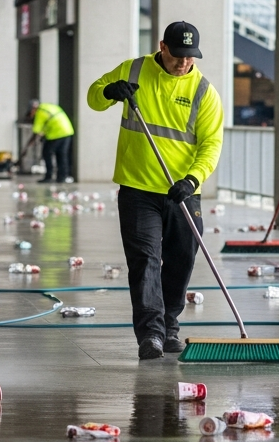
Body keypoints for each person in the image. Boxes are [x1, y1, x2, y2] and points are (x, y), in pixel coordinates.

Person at [88, 21, 224, 360]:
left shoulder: (204, 92)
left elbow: (211, 144)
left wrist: (192, 180)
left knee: (180, 259)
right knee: (145, 261)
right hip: (137, 187)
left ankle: (170, 326)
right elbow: (93, 96)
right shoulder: (134, 69)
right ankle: (151, 335)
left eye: (190, 57)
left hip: (182, 191)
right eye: (178, 55)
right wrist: (109, 91)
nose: (184, 63)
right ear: (162, 46)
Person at [29, 99, 75, 183]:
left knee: (46, 153)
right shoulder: (48, 106)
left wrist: (30, 143)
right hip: (68, 131)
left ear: (33, 109)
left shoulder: (40, 112)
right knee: (62, 154)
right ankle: (62, 177)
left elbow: (36, 131)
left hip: (56, 134)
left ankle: (48, 176)